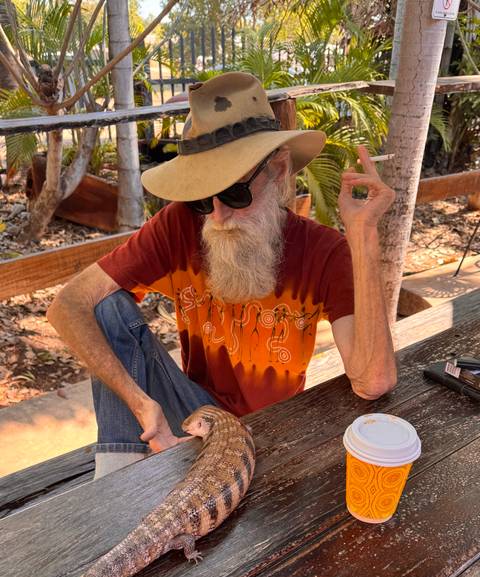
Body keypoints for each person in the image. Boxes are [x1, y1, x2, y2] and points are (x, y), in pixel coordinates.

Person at [47, 72, 397, 479]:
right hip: (195, 415)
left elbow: (372, 381)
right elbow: (67, 305)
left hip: (273, 430)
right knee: (106, 307)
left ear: (278, 170)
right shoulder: (179, 224)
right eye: (200, 197)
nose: (217, 215)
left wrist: (363, 234)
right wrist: (141, 402)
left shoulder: (324, 251)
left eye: (234, 193)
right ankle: (122, 483)